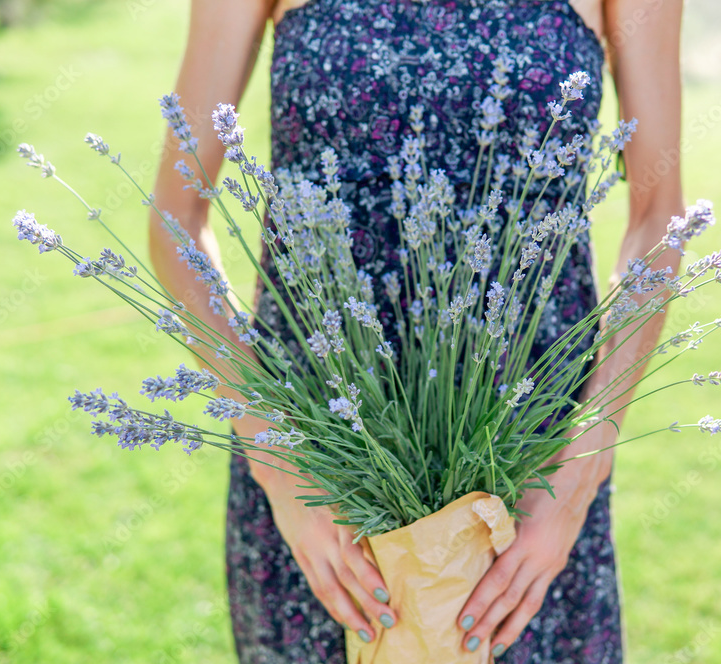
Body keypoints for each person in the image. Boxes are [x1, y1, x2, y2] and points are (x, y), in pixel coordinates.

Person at [149, 0, 684, 661]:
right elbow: (176, 218)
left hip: (529, 493)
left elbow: (659, 214)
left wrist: (581, 468)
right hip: (320, 481)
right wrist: (278, 459)